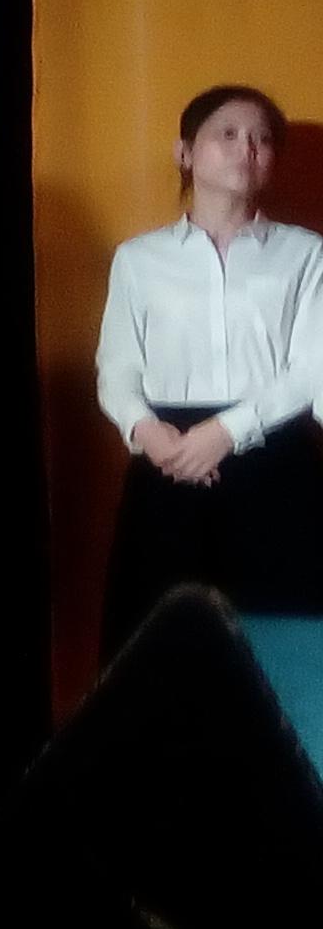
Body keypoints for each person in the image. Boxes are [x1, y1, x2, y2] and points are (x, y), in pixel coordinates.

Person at [95, 84, 323, 655]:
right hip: (167, 461)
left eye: (262, 139)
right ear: (185, 153)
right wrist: (146, 431)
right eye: (228, 134)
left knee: (282, 642)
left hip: (276, 459)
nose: (247, 148)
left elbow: (312, 367)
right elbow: (117, 364)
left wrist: (227, 431)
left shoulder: (305, 253)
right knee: (159, 647)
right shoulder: (139, 259)